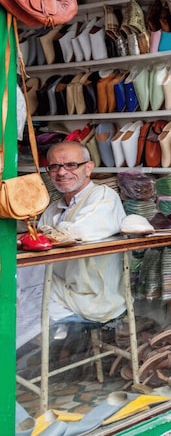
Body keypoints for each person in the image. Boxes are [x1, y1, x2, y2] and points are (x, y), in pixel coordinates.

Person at [17, 141, 127, 348]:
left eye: (71, 165)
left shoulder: (104, 197)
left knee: (16, 312)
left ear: (89, 167)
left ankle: (13, 367)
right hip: (57, 288)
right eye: (54, 167)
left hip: (91, 297)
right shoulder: (53, 209)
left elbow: (74, 234)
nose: (61, 172)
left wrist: (30, 239)